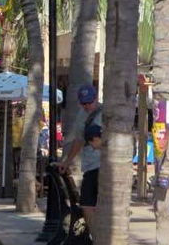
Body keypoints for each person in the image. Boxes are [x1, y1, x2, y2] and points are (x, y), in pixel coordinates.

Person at [57, 85, 103, 234]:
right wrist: (67, 161)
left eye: (89, 102)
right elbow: (79, 141)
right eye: (84, 103)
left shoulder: (105, 114)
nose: (87, 106)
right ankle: (95, 236)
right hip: (89, 166)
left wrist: (100, 143)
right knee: (86, 204)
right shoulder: (81, 115)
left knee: (101, 204)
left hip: (103, 165)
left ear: (96, 98)